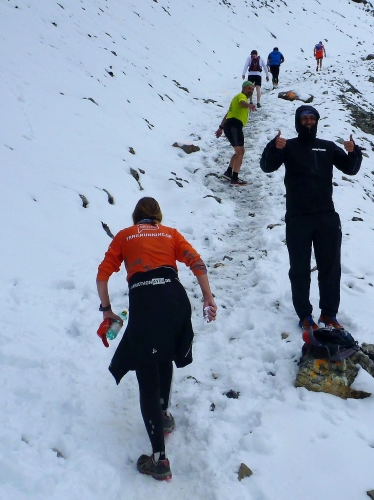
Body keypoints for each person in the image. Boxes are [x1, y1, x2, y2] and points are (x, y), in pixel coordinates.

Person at [96, 197, 218, 481]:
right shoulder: (170, 234)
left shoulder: (125, 236)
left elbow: (102, 275)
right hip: (176, 301)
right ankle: (162, 414)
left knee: (147, 372)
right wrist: (208, 297)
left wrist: (107, 310)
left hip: (147, 303)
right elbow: (197, 263)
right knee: (163, 353)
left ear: (135, 217)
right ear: (157, 217)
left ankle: (159, 460)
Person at [259, 105, 362, 333]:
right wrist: (273, 147)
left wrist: (354, 152)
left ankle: (329, 313)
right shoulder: (288, 146)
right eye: (304, 118)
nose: (308, 121)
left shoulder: (327, 146)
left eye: (312, 118)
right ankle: (304, 315)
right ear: (298, 121)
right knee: (299, 268)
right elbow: (267, 166)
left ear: (317, 121)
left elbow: (351, 169)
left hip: (326, 216)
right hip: (298, 217)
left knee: (330, 267)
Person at [215, 81, 257, 186]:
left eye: (252, 89)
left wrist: (221, 127)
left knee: (239, 152)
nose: (251, 91)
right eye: (249, 88)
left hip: (230, 125)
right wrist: (249, 105)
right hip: (234, 125)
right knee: (240, 152)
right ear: (243, 88)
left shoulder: (236, 98)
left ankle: (229, 172)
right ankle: (234, 179)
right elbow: (242, 103)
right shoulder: (241, 96)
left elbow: (228, 114)